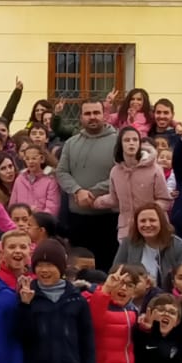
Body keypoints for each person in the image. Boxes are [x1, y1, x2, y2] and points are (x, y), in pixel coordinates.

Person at [12, 240, 95, 363]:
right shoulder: (26, 295)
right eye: (40, 265)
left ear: (61, 267)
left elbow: (87, 341)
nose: (44, 270)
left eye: (50, 265)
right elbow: (20, 337)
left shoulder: (77, 299)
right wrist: (25, 306)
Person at [55, 99, 119, 270]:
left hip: (109, 218)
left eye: (96, 113)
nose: (93, 117)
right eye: (88, 113)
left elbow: (121, 173)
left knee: (107, 268)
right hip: (78, 219)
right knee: (80, 270)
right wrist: (77, 191)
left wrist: (92, 192)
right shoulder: (71, 143)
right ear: (81, 117)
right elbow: (61, 172)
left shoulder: (118, 141)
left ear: (104, 115)